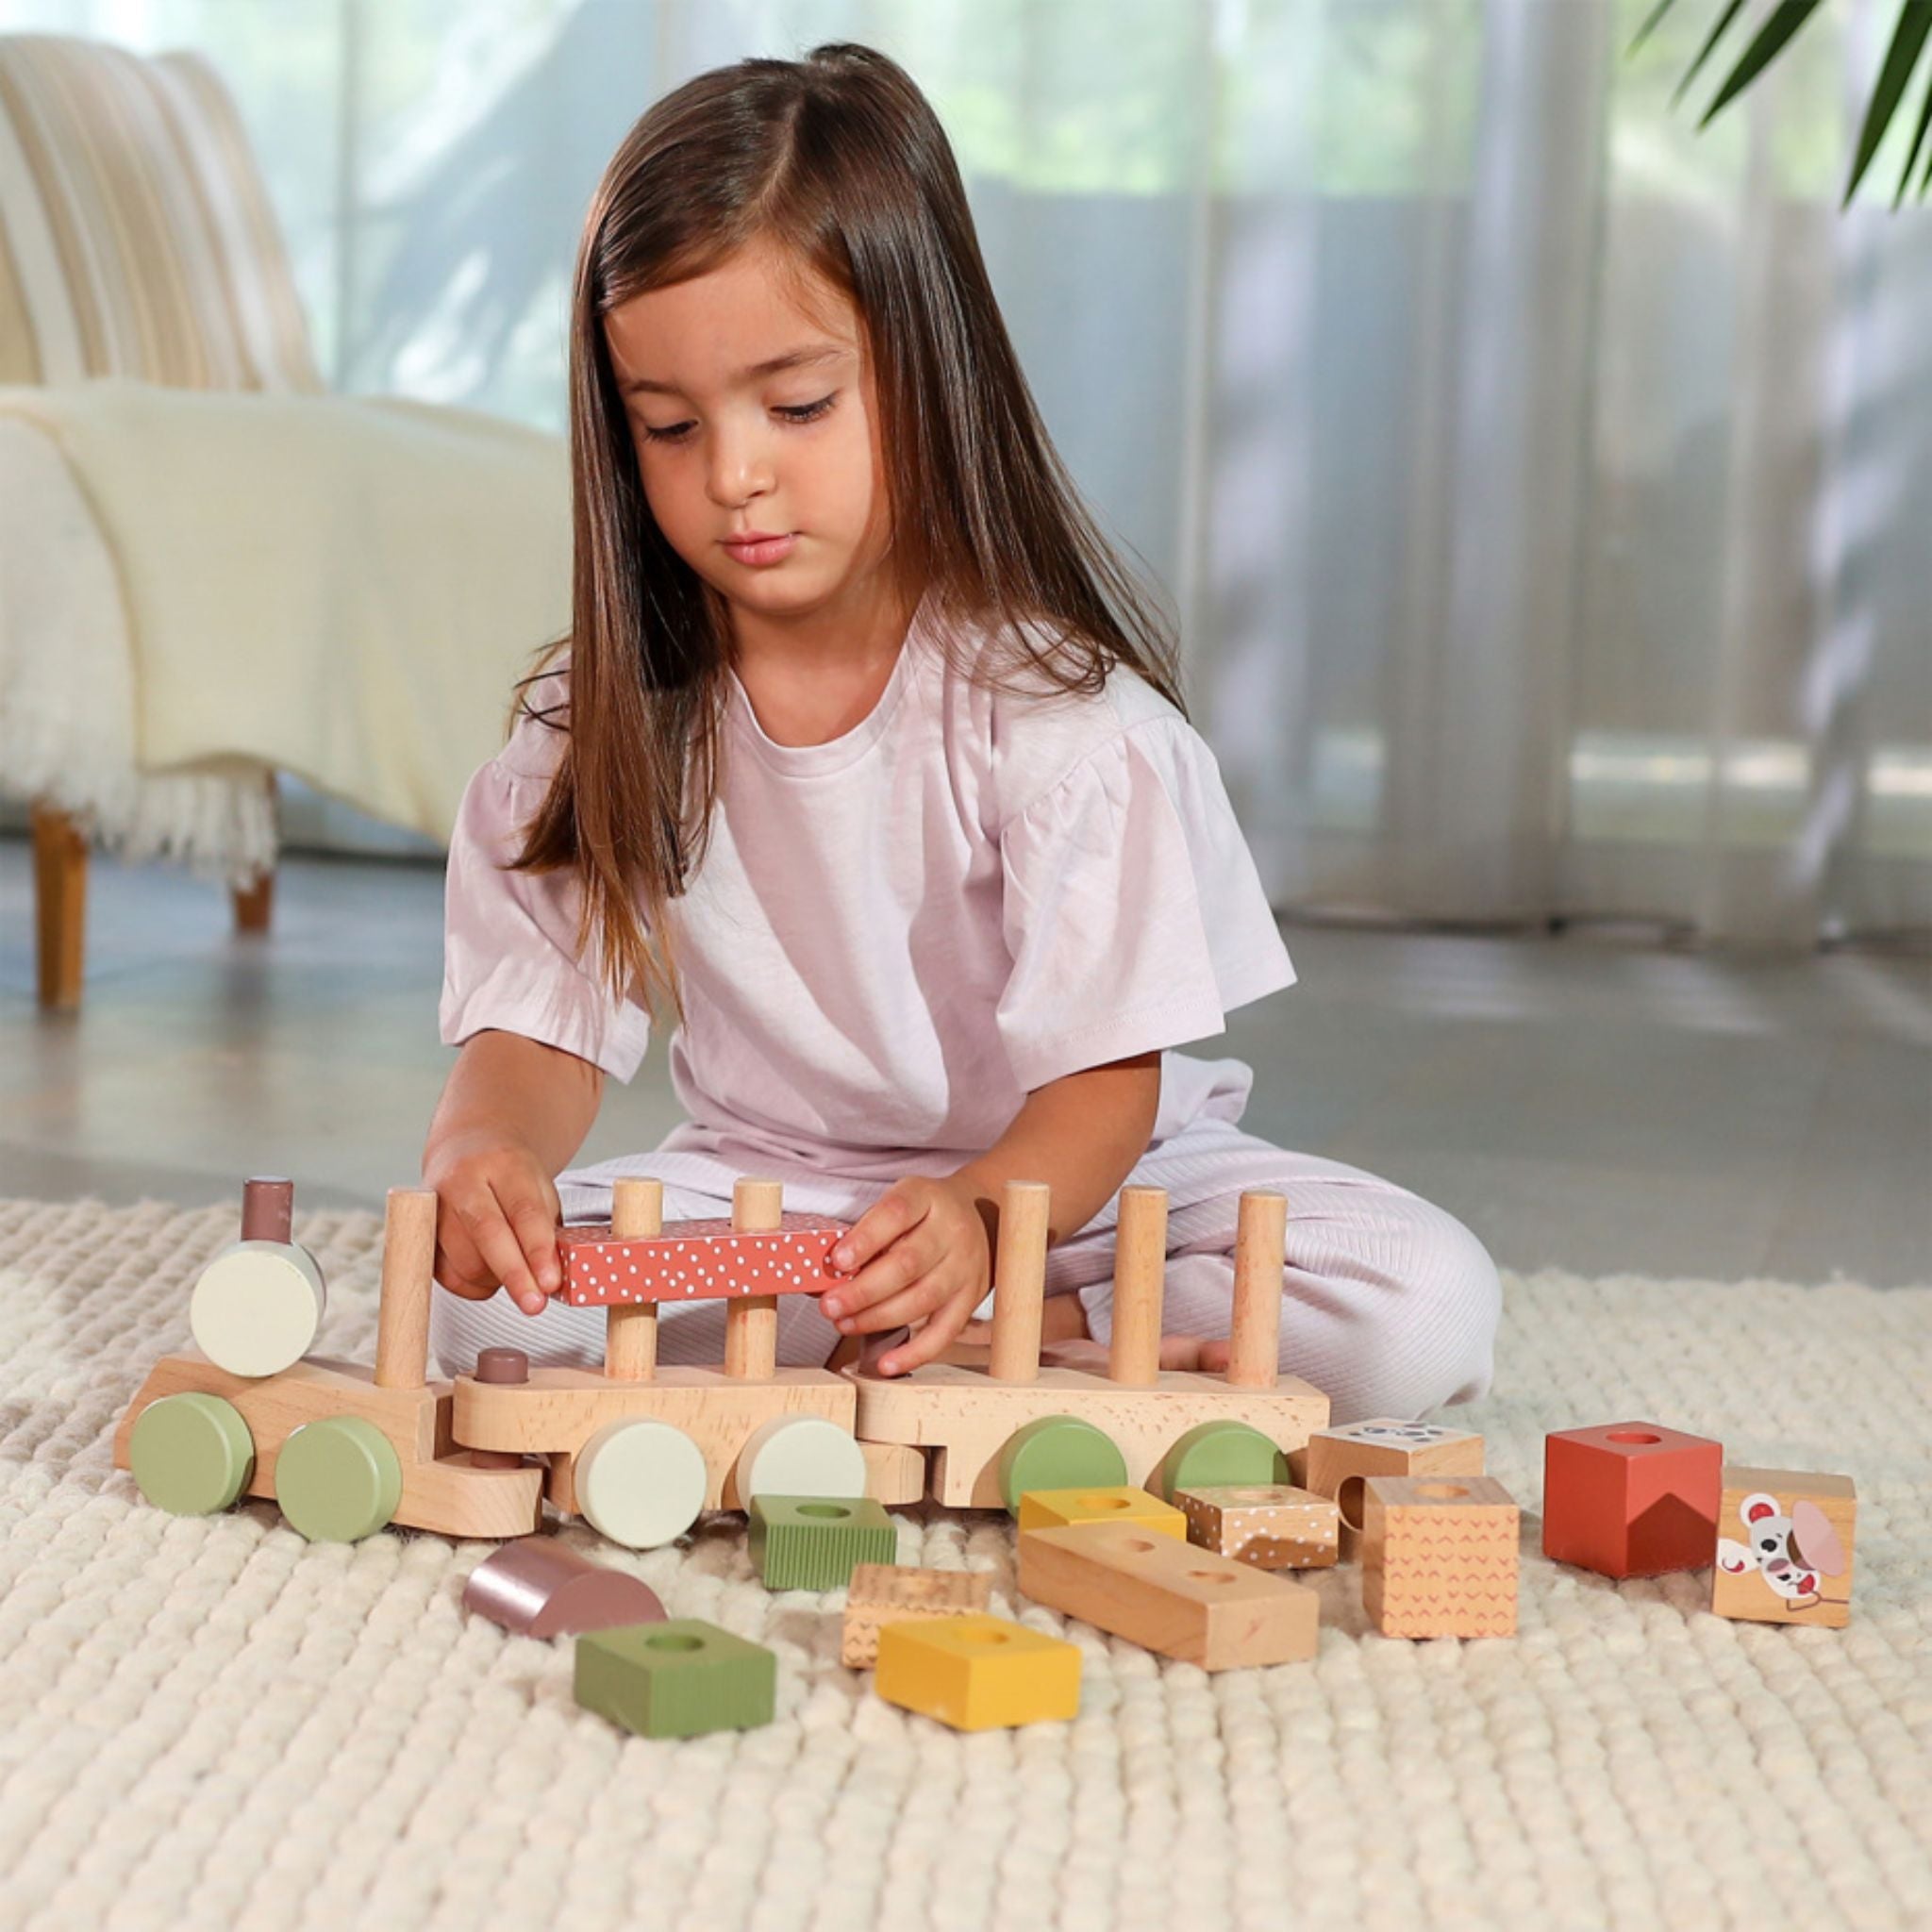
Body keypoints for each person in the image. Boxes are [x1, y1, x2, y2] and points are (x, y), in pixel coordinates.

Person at [422, 42, 1500, 1421]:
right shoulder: (604, 724)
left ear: (925, 374)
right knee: (470, 1310)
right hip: (776, 1190)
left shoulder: (1061, 727)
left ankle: (1014, 1323)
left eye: (797, 407)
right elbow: (539, 1031)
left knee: (1419, 1295)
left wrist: (988, 1223)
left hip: (1073, 1189)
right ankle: (997, 1357)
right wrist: (484, 1149)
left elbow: (1106, 1090)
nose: (734, 474)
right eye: (670, 426)